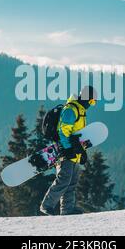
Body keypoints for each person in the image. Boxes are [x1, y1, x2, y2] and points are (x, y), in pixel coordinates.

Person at [40, 86, 98, 216]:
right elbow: (63, 131)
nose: (91, 104)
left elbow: (78, 136)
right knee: (64, 179)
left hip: (74, 153)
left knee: (72, 182)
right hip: (65, 151)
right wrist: (67, 149)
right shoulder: (71, 110)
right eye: (92, 101)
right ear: (86, 98)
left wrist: (82, 152)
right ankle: (46, 205)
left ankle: (67, 209)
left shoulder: (81, 110)